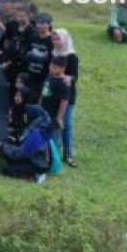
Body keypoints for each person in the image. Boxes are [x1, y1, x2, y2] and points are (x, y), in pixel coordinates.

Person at [0, 104, 53, 182]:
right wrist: (16, 140)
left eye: (26, 114)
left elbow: (21, 151)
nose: (24, 116)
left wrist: (2, 146)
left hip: (37, 164)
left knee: (6, 170)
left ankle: (37, 173)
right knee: (7, 152)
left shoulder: (37, 135)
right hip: (30, 158)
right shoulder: (36, 127)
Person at [51, 29, 79, 167]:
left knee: (65, 123)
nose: (55, 41)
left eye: (58, 39)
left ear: (65, 39)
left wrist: (66, 77)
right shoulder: (53, 53)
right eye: (53, 39)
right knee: (55, 123)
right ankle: (54, 152)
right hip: (53, 94)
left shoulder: (71, 56)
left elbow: (74, 77)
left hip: (67, 95)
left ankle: (67, 153)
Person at [0, 8, 33, 90]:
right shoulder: (12, 25)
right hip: (8, 59)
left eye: (22, 16)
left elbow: (24, 52)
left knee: (16, 86)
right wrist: (4, 53)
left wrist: (8, 63)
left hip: (20, 64)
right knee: (4, 84)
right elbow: (6, 39)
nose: (19, 19)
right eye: (17, 16)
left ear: (28, 16)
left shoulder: (31, 31)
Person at [23, 13, 55, 95]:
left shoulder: (51, 41)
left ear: (49, 25)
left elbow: (49, 60)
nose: (39, 26)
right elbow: (24, 55)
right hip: (30, 73)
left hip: (43, 76)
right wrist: (41, 56)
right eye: (37, 23)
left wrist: (32, 55)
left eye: (42, 23)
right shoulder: (33, 37)